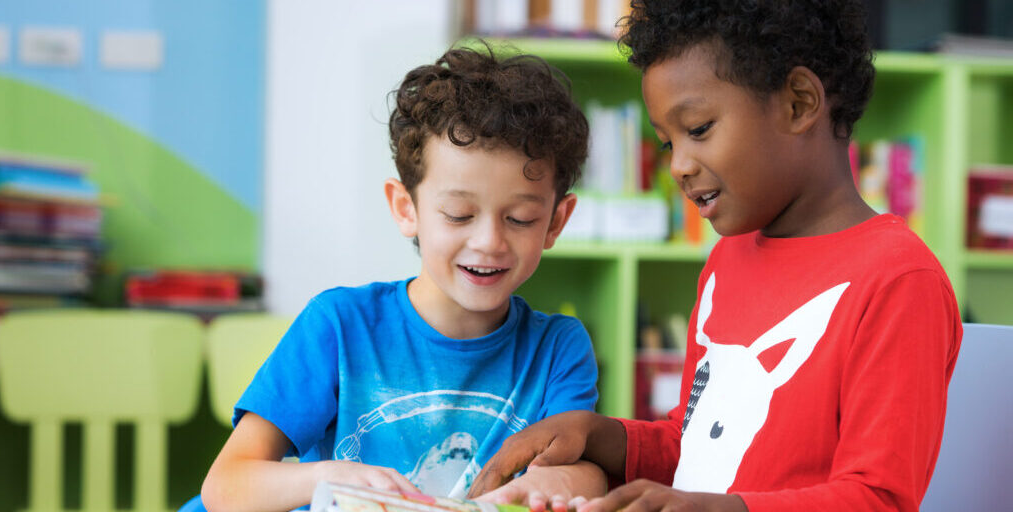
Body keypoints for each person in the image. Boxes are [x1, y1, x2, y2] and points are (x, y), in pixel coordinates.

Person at [467, 1, 963, 511]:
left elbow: (879, 498)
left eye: (699, 129)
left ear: (797, 103)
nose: (680, 165)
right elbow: (699, 444)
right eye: (667, 144)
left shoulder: (899, 278)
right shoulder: (726, 261)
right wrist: (595, 434)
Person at [198, 44, 606, 512]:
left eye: (519, 219)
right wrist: (330, 478)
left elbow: (583, 475)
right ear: (405, 208)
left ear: (556, 221)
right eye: (458, 214)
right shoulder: (340, 325)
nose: (489, 241)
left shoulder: (558, 348)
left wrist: (566, 484)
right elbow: (226, 485)